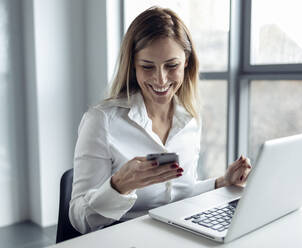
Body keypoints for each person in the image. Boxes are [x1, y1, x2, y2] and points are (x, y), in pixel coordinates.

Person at [69, 6, 251, 234]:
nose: (160, 79)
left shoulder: (190, 120)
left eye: (171, 65)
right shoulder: (101, 121)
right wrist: (119, 186)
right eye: (147, 66)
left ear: (186, 62)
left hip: (175, 236)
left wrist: (222, 183)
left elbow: (181, 194)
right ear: (133, 66)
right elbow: (80, 220)